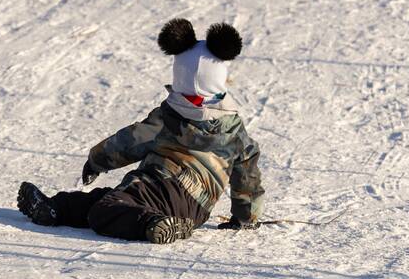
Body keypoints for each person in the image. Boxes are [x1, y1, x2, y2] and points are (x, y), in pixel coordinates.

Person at [16, 18, 265, 244]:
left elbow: (132, 140)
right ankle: (53, 208)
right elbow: (247, 176)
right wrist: (246, 218)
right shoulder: (236, 133)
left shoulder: (169, 117)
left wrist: (97, 159)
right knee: (109, 198)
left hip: (161, 185)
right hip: (196, 207)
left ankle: (151, 224)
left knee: (105, 208)